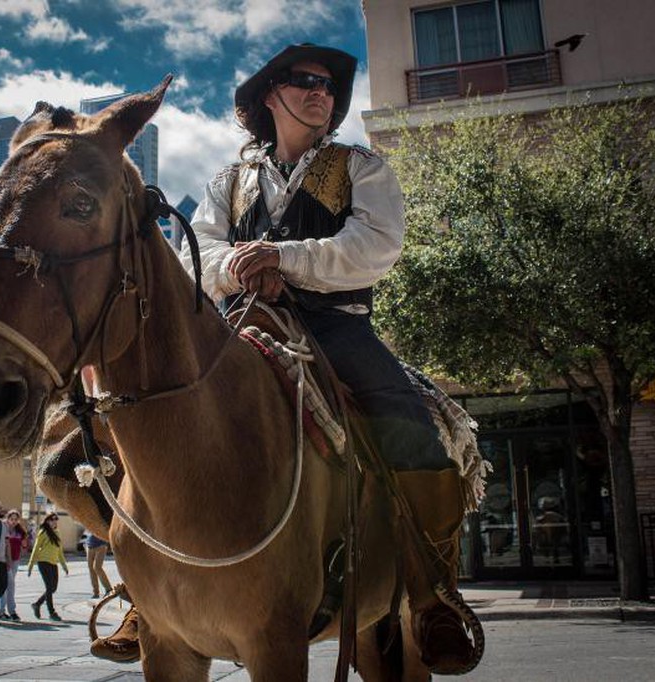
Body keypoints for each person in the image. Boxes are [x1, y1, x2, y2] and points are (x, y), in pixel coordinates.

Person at [176, 42, 477, 673]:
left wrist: (283, 258)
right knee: (158, 417)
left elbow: (374, 245)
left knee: (410, 424)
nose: (322, 92)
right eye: (304, 81)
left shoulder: (358, 166)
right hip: (241, 325)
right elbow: (193, 257)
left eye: (329, 85)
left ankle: (433, 593)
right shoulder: (228, 182)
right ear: (269, 96)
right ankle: (145, 593)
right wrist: (238, 263)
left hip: (338, 328)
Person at [27, 512, 68, 621]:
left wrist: (64, 565)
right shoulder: (43, 532)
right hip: (43, 562)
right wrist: (30, 565)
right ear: (47, 521)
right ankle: (52, 612)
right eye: (51, 519)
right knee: (49, 587)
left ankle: (37, 604)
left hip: (53, 563)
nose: (54, 521)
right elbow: (35, 549)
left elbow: (59, 551)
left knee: (53, 588)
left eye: (55, 519)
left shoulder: (57, 533)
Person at [0, 509, 29, 620]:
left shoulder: (19, 531)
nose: (14, 521)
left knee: (7, 585)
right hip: (4, 560)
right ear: (8, 518)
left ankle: (2, 611)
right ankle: (9, 611)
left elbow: (24, 547)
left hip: (15, 560)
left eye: (16, 519)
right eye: (12, 519)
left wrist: (24, 544)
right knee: (9, 585)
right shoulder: (3, 529)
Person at [85, 533, 112, 599]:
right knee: (91, 569)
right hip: (89, 544)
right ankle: (96, 593)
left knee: (97, 567)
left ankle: (108, 589)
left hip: (101, 544)